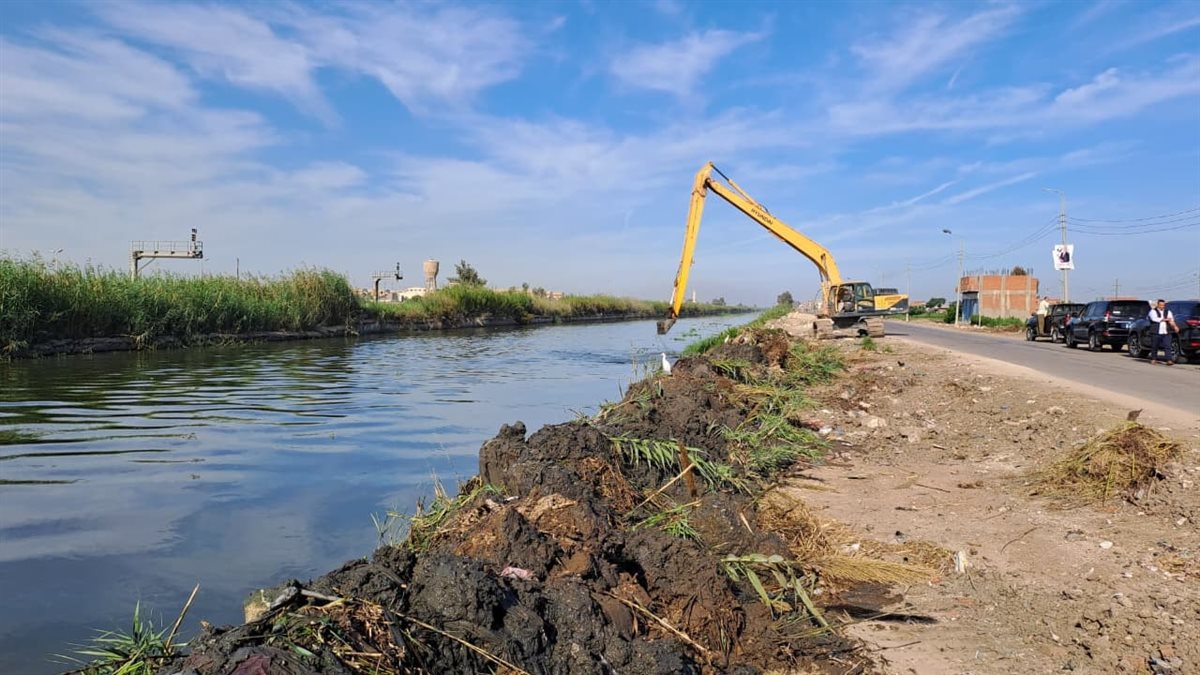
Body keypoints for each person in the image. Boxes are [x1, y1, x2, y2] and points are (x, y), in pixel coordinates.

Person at [1147, 299, 1176, 365]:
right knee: (1155, 346)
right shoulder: (1152, 311)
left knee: (1167, 346)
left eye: (1163, 305)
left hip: (1166, 332)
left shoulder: (1168, 312)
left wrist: (1175, 327)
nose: (1162, 306)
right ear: (1158, 305)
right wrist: (1165, 319)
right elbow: (1155, 319)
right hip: (1156, 331)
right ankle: (1154, 359)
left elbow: (1171, 320)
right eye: (1160, 305)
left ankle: (1169, 360)